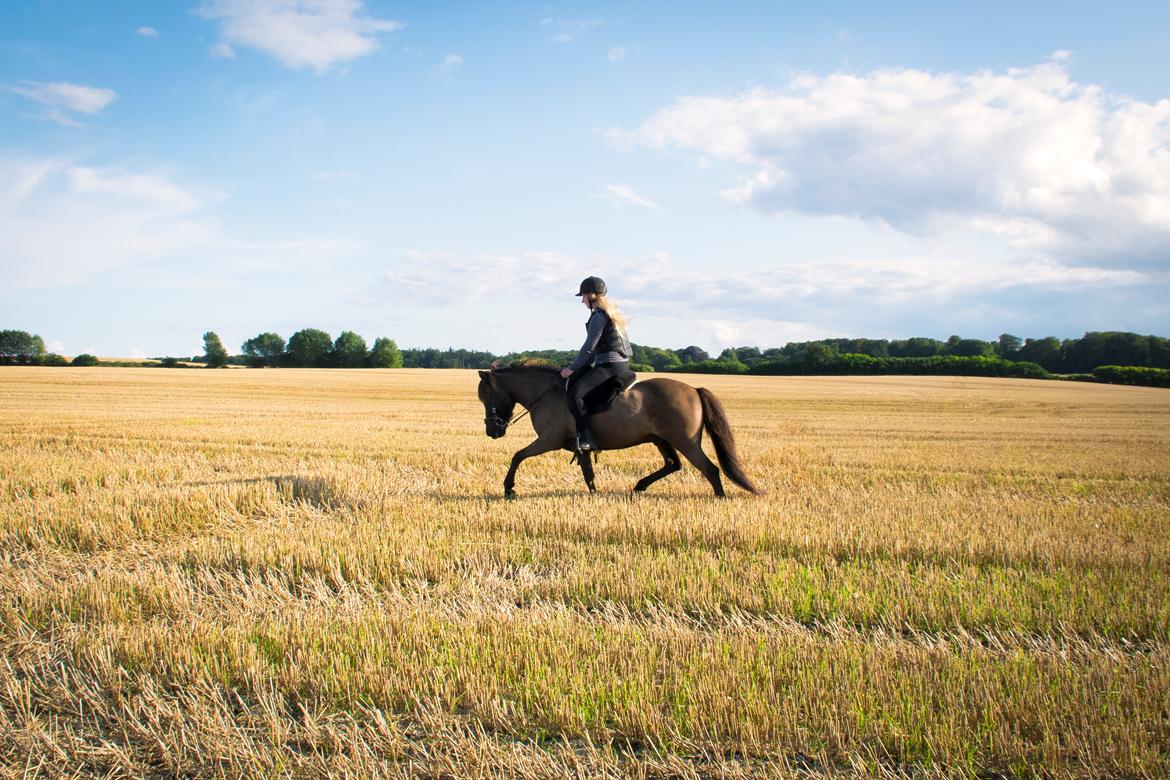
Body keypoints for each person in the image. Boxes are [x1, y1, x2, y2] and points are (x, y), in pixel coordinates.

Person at [559, 276, 634, 452]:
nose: (582, 301)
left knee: (575, 396)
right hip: (619, 365)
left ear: (592, 295)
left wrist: (571, 368)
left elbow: (588, 348)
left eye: (583, 296)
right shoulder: (610, 314)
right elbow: (593, 352)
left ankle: (589, 439)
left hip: (609, 367)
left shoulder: (599, 316)